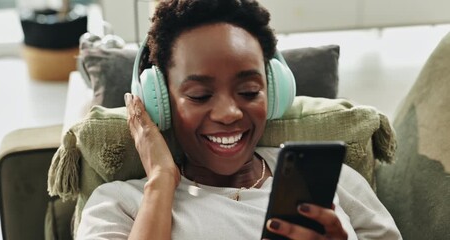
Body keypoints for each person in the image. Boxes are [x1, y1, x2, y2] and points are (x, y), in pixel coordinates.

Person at [76, 0, 402, 239]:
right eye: (200, 96)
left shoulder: (332, 181)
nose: (230, 113)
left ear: (273, 93)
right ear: (159, 101)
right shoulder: (119, 205)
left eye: (248, 91)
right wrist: (161, 182)